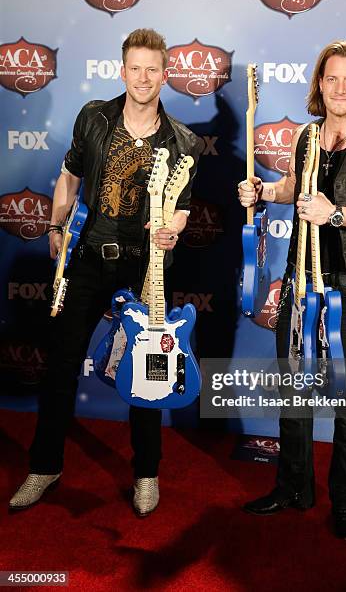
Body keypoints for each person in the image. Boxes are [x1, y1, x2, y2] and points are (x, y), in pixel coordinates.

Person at [9, 28, 202, 517]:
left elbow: (181, 209)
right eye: (134, 68)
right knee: (61, 365)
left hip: (146, 267)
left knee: (149, 373)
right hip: (90, 257)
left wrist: (173, 229)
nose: (143, 77)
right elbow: (70, 175)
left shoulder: (184, 143)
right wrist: (57, 226)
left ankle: (146, 474)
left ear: (165, 74)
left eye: (152, 69)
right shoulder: (94, 117)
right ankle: (45, 467)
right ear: (123, 71)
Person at [238, 40, 346, 539]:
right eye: (330, 79)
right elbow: (296, 185)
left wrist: (335, 214)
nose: (339, 89)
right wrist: (266, 192)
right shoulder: (307, 136)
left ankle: (345, 502)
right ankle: (294, 487)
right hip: (298, 285)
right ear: (320, 84)